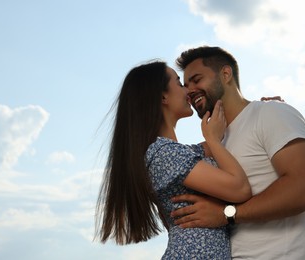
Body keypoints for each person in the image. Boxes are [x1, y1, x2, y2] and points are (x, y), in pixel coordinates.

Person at [171, 46, 305, 259]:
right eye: (185, 85)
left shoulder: (270, 113)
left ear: (226, 74)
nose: (190, 90)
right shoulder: (215, 143)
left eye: (197, 79)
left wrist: (227, 214)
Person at [95, 60, 253, 259]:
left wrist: (258, 110)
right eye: (179, 84)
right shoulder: (164, 153)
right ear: (162, 97)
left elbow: (226, 132)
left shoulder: (178, 153)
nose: (188, 90)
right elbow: (240, 189)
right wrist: (213, 139)